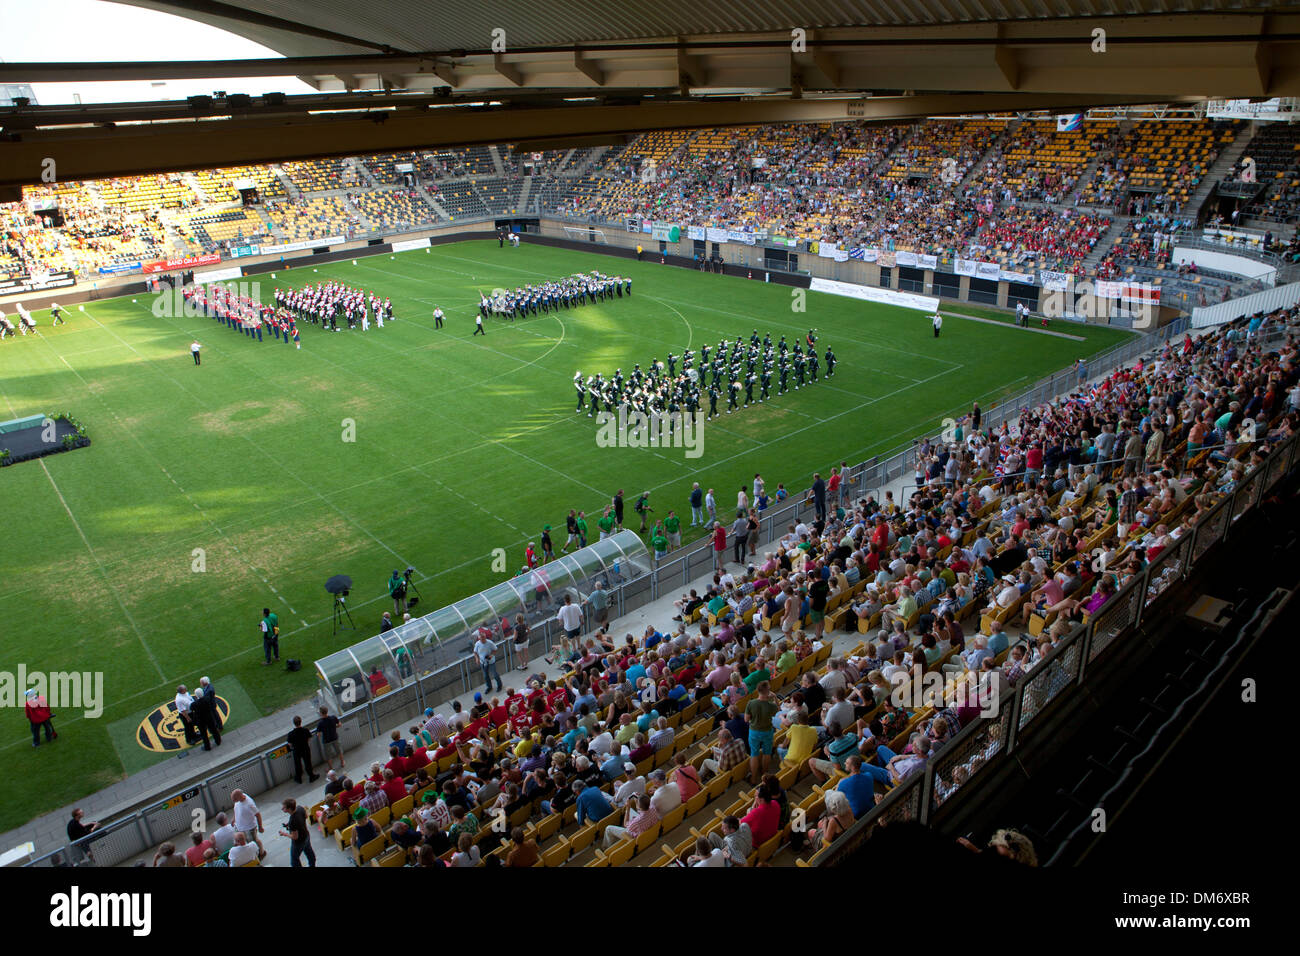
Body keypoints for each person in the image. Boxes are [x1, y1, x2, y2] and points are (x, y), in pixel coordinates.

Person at [280, 797, 316, 867]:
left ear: (289, 809)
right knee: (309, 853)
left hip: (299, 842)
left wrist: (284, 834)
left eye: (284, 808)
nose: (282, 809)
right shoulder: (300, 808)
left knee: (294, 861)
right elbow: (305, 816)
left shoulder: (292, 821)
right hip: (306, 835)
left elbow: (295, 837)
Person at [231, 790, 265, 858]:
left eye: (235, 799)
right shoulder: (238, 799)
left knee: (254, 841)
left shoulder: (249, 804)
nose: (234, 801)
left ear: (239, 796)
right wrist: (234, 819)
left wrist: (260, 827)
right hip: (240, 826)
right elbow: (235, 809)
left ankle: (261, 853)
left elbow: (258, 815)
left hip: (249, 827)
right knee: (245, 841)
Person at [286, 715, 319, 784]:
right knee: (308, 763)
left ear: (294, 723)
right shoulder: (305, 730)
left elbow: (289, 744)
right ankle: (311, 776)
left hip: (296, 750)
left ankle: (298, 778)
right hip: (305, 749)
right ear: (301, 722)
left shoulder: (291, 734)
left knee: (297, 764)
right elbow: (309, 738)